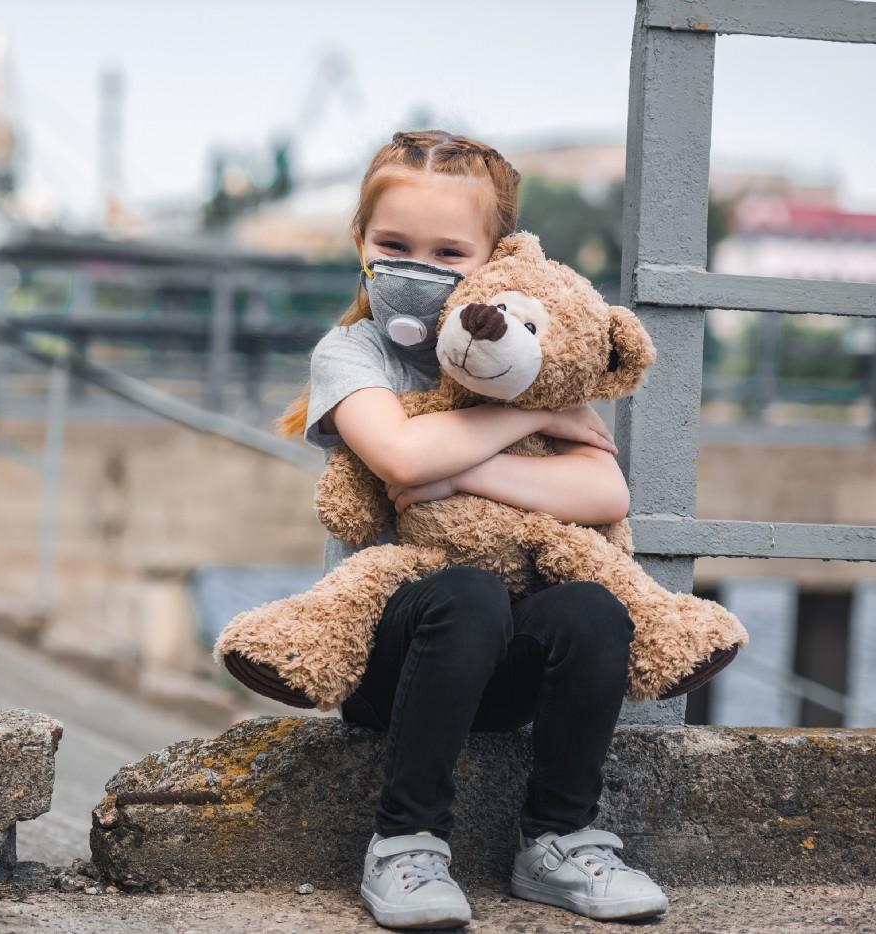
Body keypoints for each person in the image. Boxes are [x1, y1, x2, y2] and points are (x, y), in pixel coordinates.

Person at [276, 130, 670, 930]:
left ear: (496, 258)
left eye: (448, 251)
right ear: (362, 244)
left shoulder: (528, 350)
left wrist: (454, 466)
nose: (418, 265)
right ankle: (405, 844)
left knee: (592, 608)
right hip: (395, 660)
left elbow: (603, 489)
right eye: (394, 243)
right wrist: (533, 420)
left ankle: (559, 840)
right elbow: (395, 454)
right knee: (465, 592)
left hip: (508, 665)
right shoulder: (353, 355)